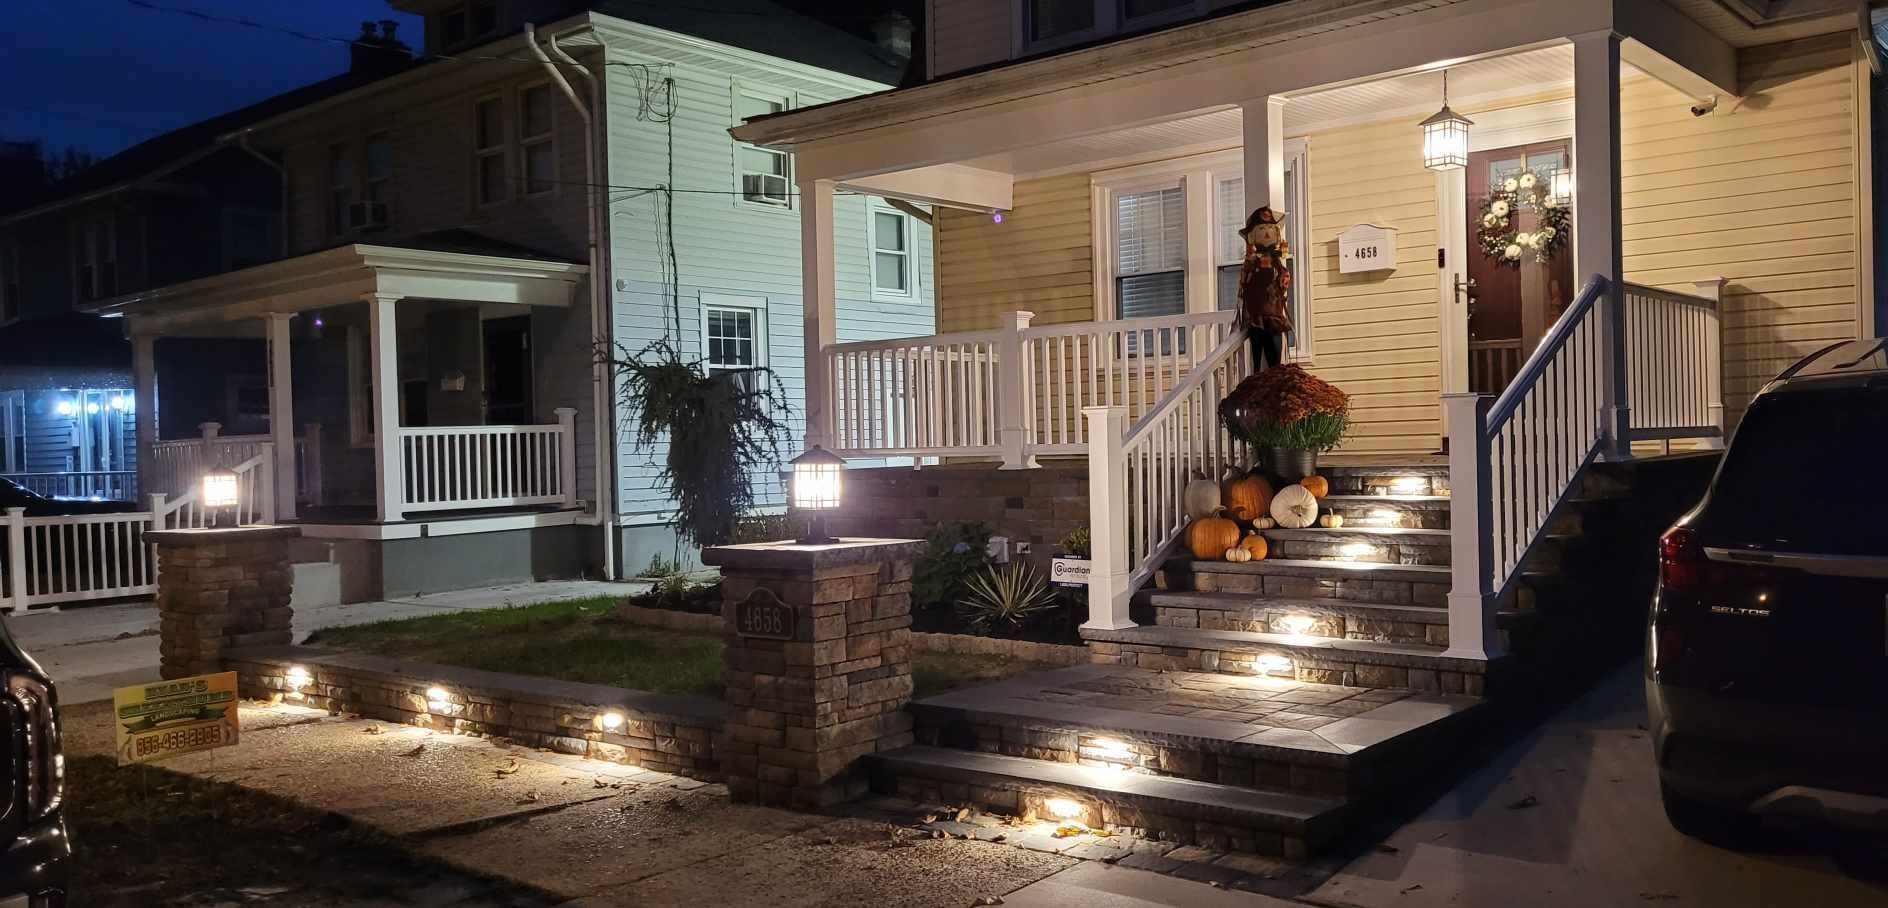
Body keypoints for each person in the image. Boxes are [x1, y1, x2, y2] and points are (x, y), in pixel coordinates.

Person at [1236, 206, 1293, 370]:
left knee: (1275, 357)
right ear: (1253, 235)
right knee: (1256, 359)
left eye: (1269, 228)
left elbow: (1283, 275)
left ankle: (1274, 374)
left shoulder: (1276, 260)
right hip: (1257, 315)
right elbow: (1244, 281)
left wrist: (1284, 279)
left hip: (1274, 313)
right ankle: (1258, 375)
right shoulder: (1252, 261)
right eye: (1261, 229)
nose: (1267, 233)